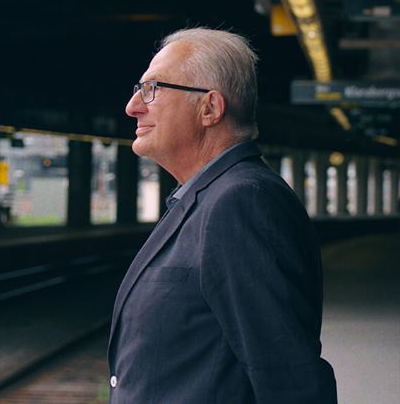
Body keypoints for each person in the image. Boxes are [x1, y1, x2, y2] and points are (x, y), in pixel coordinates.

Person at [107, 28, 337, 403]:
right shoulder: (206, 198)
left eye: (152, 89)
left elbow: (290, 380)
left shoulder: (242, 203)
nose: (133, 106)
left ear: (210, 108)